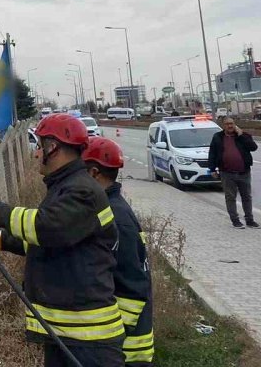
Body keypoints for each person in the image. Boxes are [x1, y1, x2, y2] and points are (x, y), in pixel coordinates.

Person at [0, 113, 124, 367]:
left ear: (53, 147)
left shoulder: (81, 190)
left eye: (39, 146)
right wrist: (4, 240)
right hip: (69, 332)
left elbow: (47, 228)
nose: (36, 153)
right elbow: (60, 240)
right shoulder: (67, 186)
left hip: (88, 339)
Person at [84, 137, 154, 364]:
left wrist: (110, 335)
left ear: (94, 173)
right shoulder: (109, 208)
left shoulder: (115, 217)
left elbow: (132, 287)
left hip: (126, 348)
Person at [208, 117, 260, 229]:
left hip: (244, 172)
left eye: (231, 123)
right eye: (227, 124)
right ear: (223, 125)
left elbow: (253, 147)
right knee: (230, 197)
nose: (230, 126)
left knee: (247, 197)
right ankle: (235, 220)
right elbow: (212, 153)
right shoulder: (218, 137)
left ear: (235, 124)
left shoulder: (243, 136)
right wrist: (212, 169)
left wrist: (241, 135)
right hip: (227, 173)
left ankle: (249, 220)